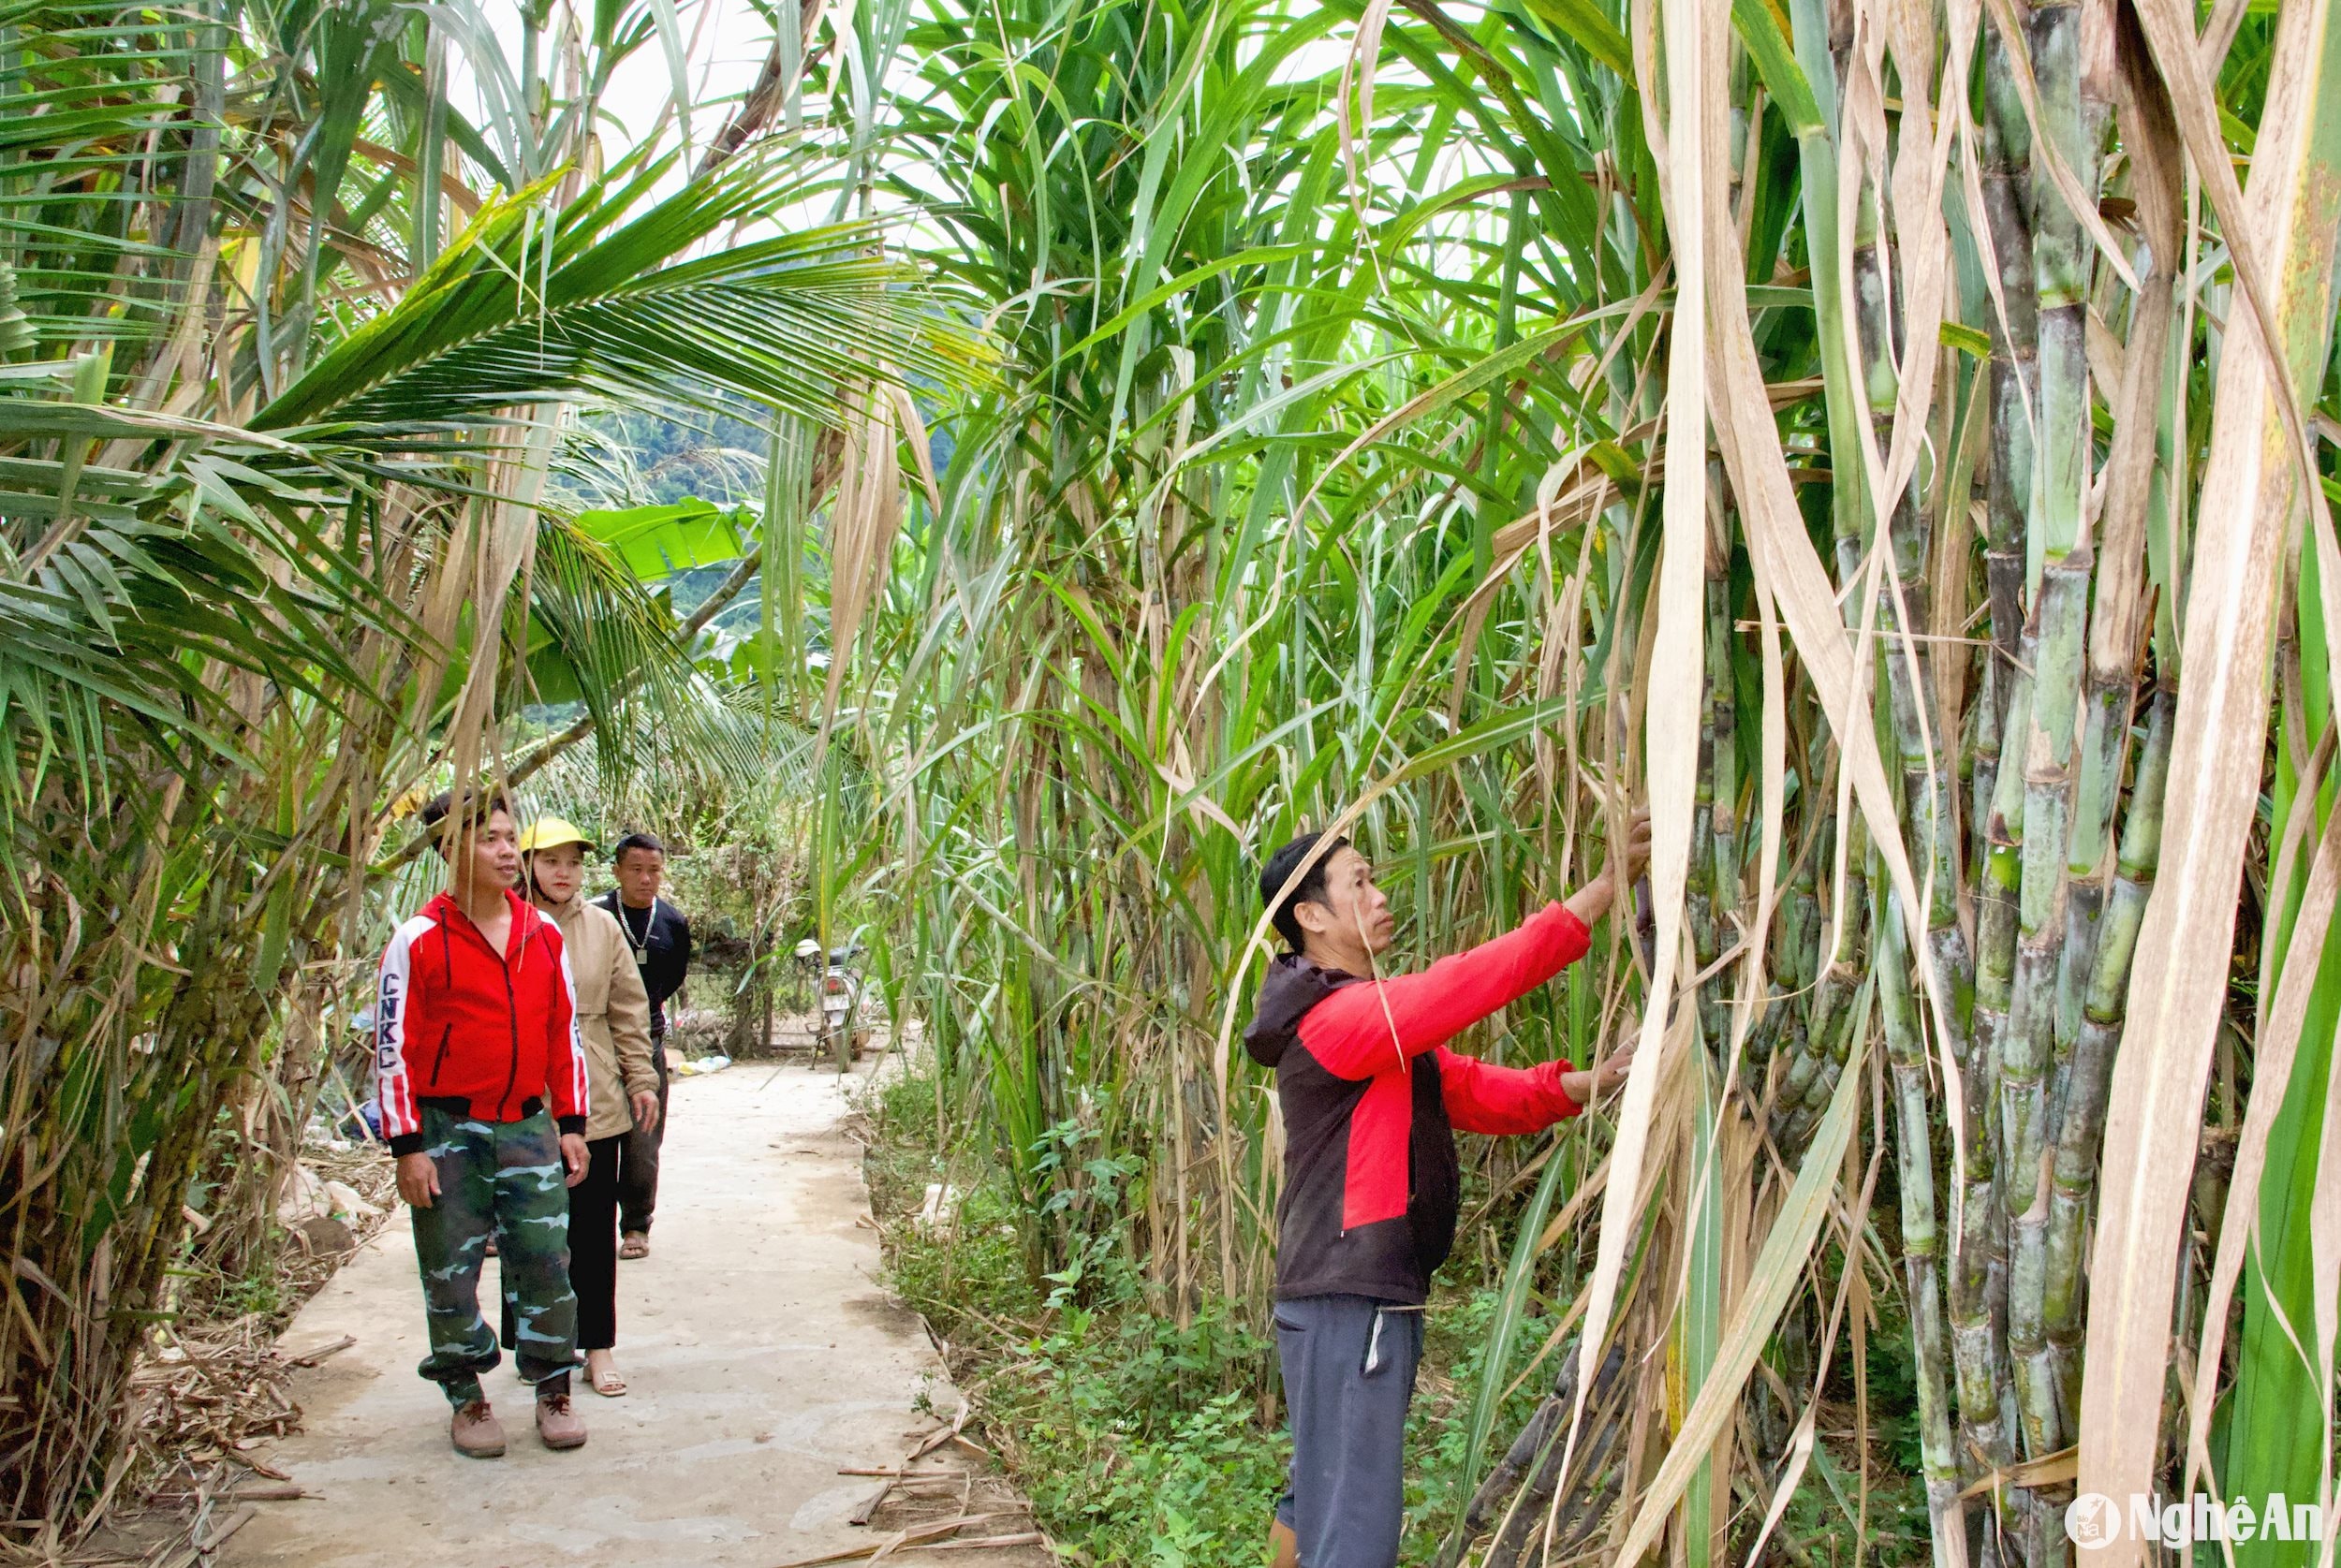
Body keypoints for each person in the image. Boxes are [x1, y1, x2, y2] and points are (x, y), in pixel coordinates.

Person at [1244, 818, 1648, 1568]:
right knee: (1354, 1528)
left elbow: (1470, 1089)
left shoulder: (1368, 1028)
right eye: (1358, 882)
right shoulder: (1339, 1018)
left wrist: (1592, 1083)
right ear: (1312, 915)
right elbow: (1462, 985)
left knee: (1317, 1496)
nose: (1379, 894)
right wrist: (1596, 895)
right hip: (1350, 1299)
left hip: (1341, 1297)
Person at [374, 788, 593, 1458]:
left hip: (528, 1124)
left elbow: (565, 1031)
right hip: (449, 1133)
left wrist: (572, 1120)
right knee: (450, 1269)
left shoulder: (542, 933)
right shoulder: (418, 939)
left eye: (508, 836)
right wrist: (408, 1146)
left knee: (547, 1261)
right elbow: (391, 1049)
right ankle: (466, 1395)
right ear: (449, 849)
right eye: (489, 838)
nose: (506, 851)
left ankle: (553, 1386)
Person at [514, 818, 662, 1398]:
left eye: (572, 863)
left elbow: (629, 1009)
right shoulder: (507, 925)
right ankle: (542, 1350)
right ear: (527, 865)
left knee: (594, 1231)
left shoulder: (602, 927)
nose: (563, 872)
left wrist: (641, 1079)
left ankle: (597, 1348)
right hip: (524, 1102)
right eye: (550, 861)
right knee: (529, 1234)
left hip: (594, 1095)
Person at [596, 832, 691, 1260]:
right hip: (595, 1041)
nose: (646, 879)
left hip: (647, 1038)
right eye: (636, 869)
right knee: (592, 1134)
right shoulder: (595, 917)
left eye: (654, 870)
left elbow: (673, 976)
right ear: (617, 871)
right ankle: (587, 1221)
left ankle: (636, 1225)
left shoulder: (671, 923)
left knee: (643, 1139)